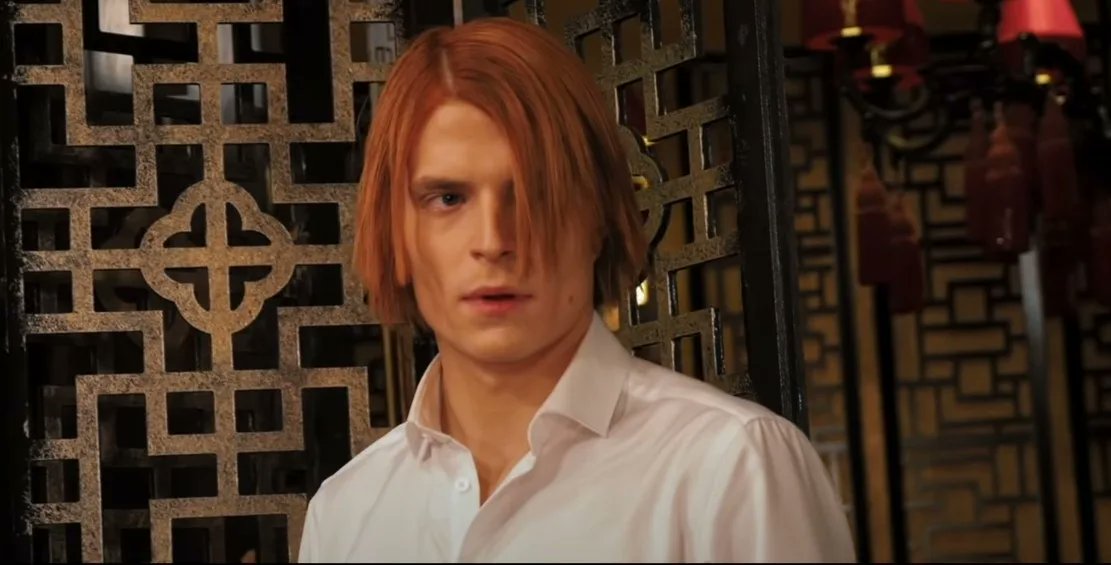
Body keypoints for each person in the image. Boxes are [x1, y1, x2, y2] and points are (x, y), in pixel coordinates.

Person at [297, 16, 856, 563]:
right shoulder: (347, 513)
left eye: (537, 193)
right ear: (397, 233)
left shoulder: (730, 466)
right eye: (448, 199)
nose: (493, 241)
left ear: (597, 221)